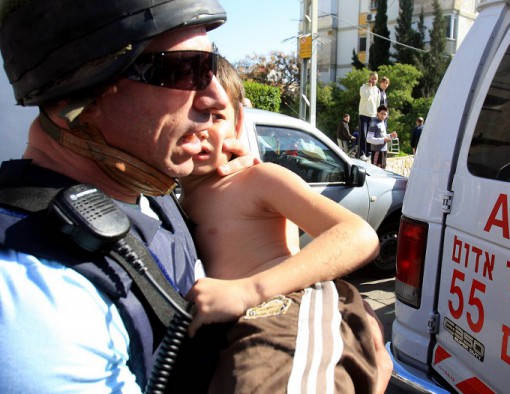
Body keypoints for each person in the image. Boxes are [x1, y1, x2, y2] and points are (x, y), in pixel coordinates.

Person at [0, 0, 391, 392]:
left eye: (211, 64)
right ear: (82, 97)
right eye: (182, 69)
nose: (216, 98)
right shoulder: (38, 298)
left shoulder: (152, 189)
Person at [179, 56, 384, 392]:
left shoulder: (255, 178)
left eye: (216, 116)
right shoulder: (178, 193)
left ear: (238, 121)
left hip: (285, 306)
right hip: (237, 326)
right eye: (189, 112)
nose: (201, 127)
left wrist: (248, 290)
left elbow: (359, 235)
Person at [358, 72, 380, 161]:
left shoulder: (377, 90)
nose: (373, 80)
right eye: (372, 78)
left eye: (375, 79)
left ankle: (369, 153)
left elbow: (377, 103)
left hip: (373, 115)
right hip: (364, 114)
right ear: (369, 78)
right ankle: (361, 153)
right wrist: (370, 88)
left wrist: (377, 115)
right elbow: (365, 97)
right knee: (363, 134)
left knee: (370, 135)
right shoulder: (364, 87)